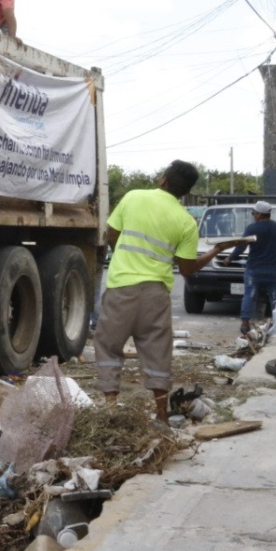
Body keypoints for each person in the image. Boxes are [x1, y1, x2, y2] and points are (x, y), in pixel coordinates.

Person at [93, 160, 244, 422]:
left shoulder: (133, 197)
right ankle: (161, 416)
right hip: (156, 295)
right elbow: (187, 269)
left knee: (108, 346)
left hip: (121, 288)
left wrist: (128, 257)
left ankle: (109, 407)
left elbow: (112, 234)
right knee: (157, 352)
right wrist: (216, 251)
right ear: (185, 192)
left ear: (163, 179)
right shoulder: (186, 222)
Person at [228, 200, 276, 336]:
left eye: (254, 213)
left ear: (259, 214)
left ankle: (245, 324)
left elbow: (241, 246)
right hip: (273, 269)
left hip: (254, 269)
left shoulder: (252, 229)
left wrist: (230, 258)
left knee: (249, 296)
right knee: (275, 297)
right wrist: (273, 247)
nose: (253, 216)